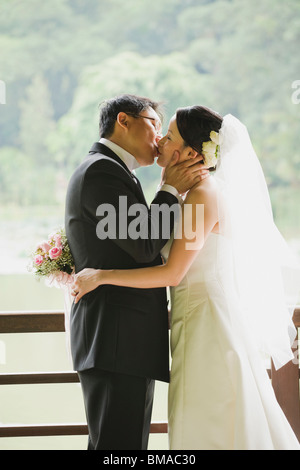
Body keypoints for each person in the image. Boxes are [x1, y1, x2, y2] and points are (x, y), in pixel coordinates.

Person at [71, 105, 300, 450]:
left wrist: (101, 276)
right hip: (194, 320)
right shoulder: (191, 196)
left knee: (211, 420)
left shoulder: (201, 198)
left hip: (207, 324)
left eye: (170, 135)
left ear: (191, 153)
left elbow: (172, 272)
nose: (161, 140)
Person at [64, 94, 208, 450]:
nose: (159, 138)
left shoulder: (111, 171)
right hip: (115, 341)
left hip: (121, 341)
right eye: (155, 125)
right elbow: (144, 244)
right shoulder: (102, 170)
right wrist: (171, 188)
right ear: (124, 121)